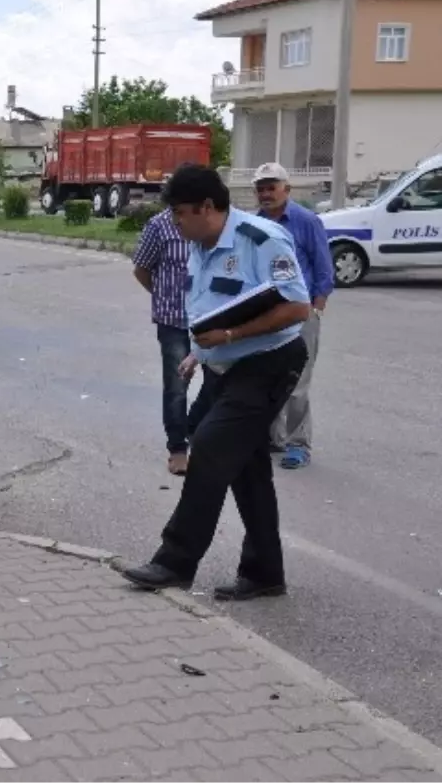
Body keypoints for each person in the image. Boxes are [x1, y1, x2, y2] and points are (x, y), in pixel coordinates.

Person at [121, 164, 311, 601]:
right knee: (248, 470)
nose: (175, 223)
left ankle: (174, 561)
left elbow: (297, 308)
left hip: (268, 364)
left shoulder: (261, 240)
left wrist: (229, 336)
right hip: (222, 368)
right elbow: (212, 306)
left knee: (207, 446)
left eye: (180, 214)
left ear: (207, 207)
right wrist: (199, 352)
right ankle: (265, 572)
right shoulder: (199, 243)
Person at [253, 162, 334, 470]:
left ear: (286, 189)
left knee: (297, 381)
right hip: (267, 314)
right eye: (260, 188)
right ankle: (273, 437)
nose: (265, 194)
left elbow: (324, 268)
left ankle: (298, 444)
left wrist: (317, 307)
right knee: (268, 378)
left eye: (271, 187)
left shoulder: (305, 221)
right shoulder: (254, 223)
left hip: (301, 313)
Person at [133, 205, 195, 475]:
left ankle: (206, 438)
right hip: (174, 321)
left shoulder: (210, 221)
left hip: (210, 318)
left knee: (220, 383)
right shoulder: (159, 226)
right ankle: (178, 448)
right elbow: (142, 269)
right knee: (176, 387)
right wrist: (162, 297)